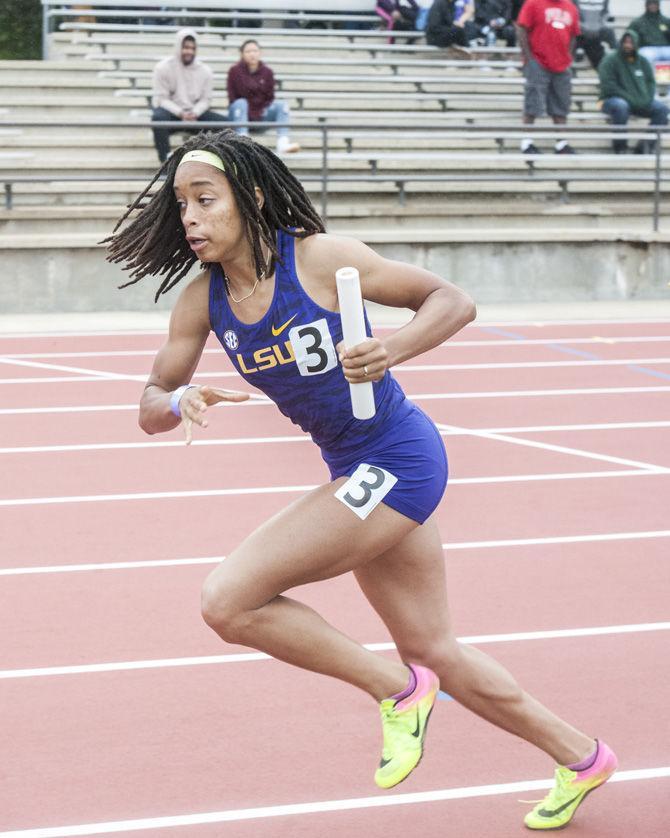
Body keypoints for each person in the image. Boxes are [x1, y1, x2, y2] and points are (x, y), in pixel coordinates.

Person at [104, 128, 618, 832]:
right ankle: (581, 756)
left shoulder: (320, 259)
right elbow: (147, 407)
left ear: (251, 197)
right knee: (436, 650)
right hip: (354, 470)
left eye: (204, 199)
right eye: (181, 205)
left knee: (227, 600)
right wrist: (178, 400)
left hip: (398, 458)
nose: (189, 217)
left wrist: (391, 349)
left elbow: (452, 300)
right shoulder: (202, 302)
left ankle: (397, 694)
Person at [150, 28, 226, 164]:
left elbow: (206, 100)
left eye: (192, 48)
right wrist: (181, 113)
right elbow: (162, 99)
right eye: (185, 47)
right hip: (172, 114)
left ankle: (215, 163)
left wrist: (195, 112)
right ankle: (165, 162)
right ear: (178, 47)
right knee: (158, 118)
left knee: (226, 124)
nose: (189, 51)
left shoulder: (205, 71)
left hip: (195, 114)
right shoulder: (163, 68)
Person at [516, 0, 581, 154]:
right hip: (538, 60)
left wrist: (568, 57)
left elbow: (574, 35)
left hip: (561, 64)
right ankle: (526, 142)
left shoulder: (571, 7)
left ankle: (561, 143)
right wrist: (529, 57)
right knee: (533, 102)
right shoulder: (533, 3)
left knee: (561, 105)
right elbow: (521, 29)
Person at [599, 29, 669, 152]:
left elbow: (650, 82)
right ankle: (620, 146)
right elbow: (609, 86)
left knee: (662, 109)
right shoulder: (610, 60)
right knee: (621, 106)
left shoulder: (642, 61)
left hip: (639, 101)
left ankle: (645, 145)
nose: (628, 45)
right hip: (610, 100)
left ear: (636, 44)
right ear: (621, 43)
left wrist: (647, 98)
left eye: (631, 43)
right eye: (625, 42)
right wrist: (630, 98)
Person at [227, 39, 300, 155]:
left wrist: (258, 109)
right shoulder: (234, 71)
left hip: (260, 113)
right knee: (241, 103)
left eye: (255, 51)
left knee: (282, 105)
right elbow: (232, 97)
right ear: (242, 54)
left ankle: (283, 143)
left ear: (260, 53)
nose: (252, 54)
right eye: (248, 51)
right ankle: (243, 143)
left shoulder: (267, 72)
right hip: (239, 114)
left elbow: (269, 98)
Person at [575, 0, 617, 68]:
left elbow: (606, 14)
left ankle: (615, 54)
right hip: (582, 31)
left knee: (609, 31)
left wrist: (602, 25)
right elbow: (574, 14)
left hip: (597, 31)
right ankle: (579, 49)